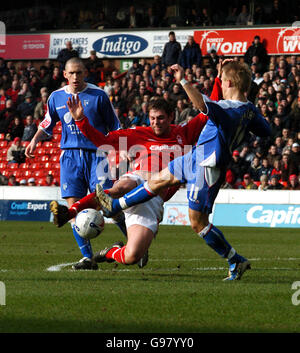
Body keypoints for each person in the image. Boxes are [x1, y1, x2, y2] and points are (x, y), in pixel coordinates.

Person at [94, 61, 271, 281]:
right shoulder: (248, 110)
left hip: (207, 168)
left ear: (228, 82)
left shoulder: (228, 109)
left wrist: (183, 80)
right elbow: (266, 131)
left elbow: (202, 105)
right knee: (158, 180)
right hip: (194, 157)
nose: (222, 85)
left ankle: (235, 259)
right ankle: (115, 206)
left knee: (198, 222)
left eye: (222, 80)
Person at [49, 67, 223, 271]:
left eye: (161, 118)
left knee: (133, 256)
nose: (156, 122)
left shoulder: (184, 133)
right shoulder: (138, 134)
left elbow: (208, 110)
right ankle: (70, 212)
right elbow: (102, 140)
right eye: (152, 118)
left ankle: (110, 252)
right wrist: (81, 120)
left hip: (154, 199)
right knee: (119, 187)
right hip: (137, 180)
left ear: (171, 116)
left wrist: (218, 78)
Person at [25, 57, 122, 271]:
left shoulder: (98, 96)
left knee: (108, 203)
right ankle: (87, 258)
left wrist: (119, 152)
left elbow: (115, 127)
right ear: (65, 75)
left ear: (85, 73)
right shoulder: (56, 97)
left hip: (97, 155)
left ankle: (134, 242)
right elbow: (47, 123)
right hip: (69, 156)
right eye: (72, 73)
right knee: (72, 210)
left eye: (79, 72)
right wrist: (34, 140)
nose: (76, 77)